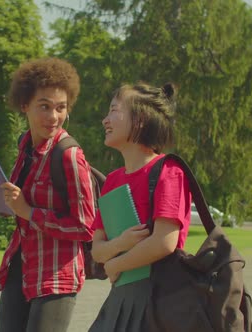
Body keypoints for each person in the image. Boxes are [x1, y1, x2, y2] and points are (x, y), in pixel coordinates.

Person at [0, 57, 96, 332]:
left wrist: (29, 212)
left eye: (60, 108)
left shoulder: (70, 156)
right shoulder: (25, 147)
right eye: (44, 106)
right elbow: (20, 206)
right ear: (24, 105)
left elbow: (86, 226)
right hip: (21, 266)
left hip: (55, 276)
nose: (53, 116)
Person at [88, 82, 192, 331]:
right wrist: (120, 244)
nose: (105, 120)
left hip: (158, 304)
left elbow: (164, 242)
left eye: (114, 110)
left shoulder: (169, 171)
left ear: (141, 119)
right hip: (121, 300)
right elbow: (97, 250)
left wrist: (116, 264)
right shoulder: (112, 180)